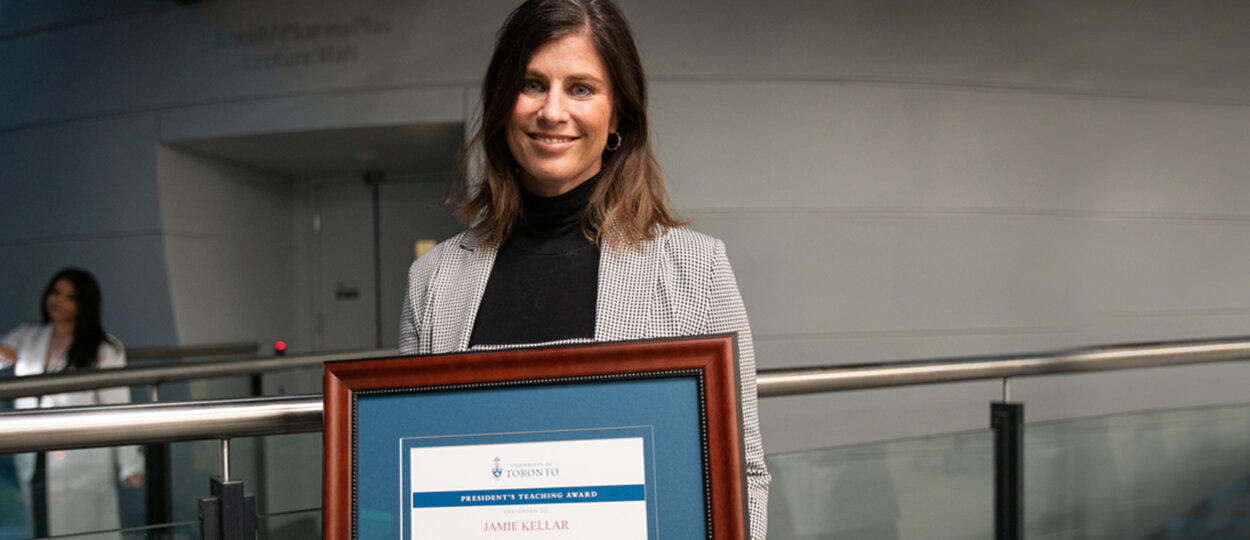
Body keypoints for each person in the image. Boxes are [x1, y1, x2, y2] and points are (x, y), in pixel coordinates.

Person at [398, 0, 769, 536]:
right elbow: (413, 464)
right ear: (502, 103)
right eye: (531, 84)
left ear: (618, 112)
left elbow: (743, 474)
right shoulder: (432, 280)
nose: (552, 111)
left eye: (581, 88)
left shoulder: (697, 268)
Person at [0, 268, 144, 537]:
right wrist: (6, 354)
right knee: (42, 523)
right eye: (55, 292)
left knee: (86, 527)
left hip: (80, 453)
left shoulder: (104, 348)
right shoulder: (28, 337)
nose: (58, 300)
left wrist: (129, 463)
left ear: (84, 304)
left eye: (70, 296)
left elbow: (117, 406)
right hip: (34, 450)